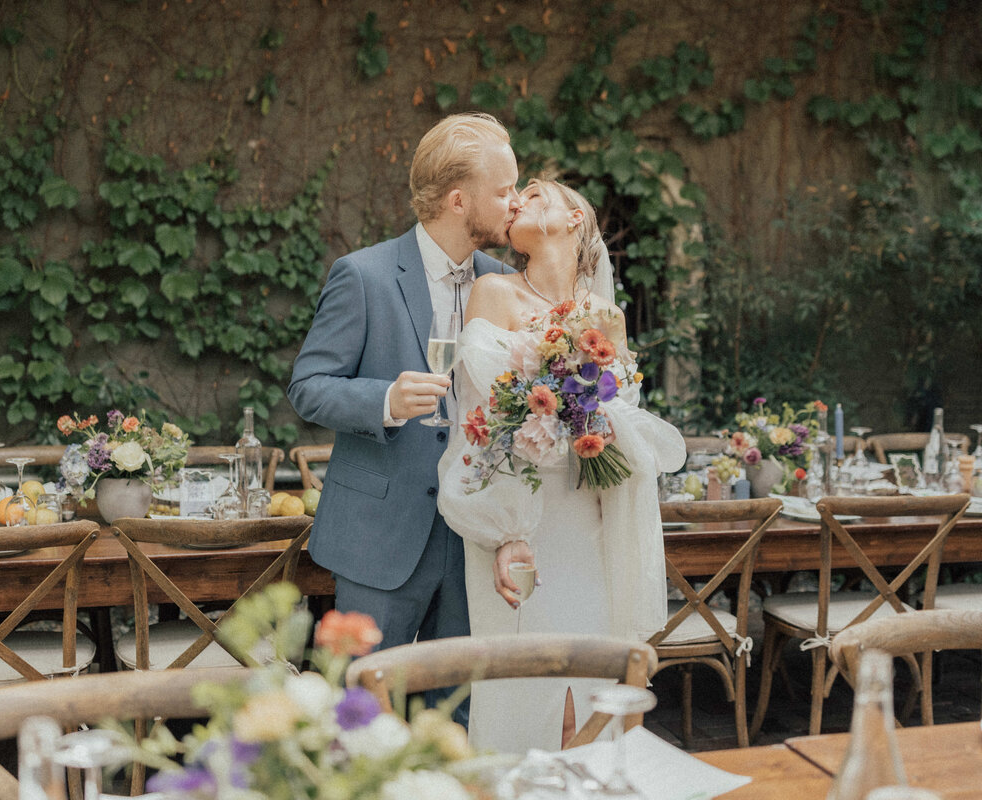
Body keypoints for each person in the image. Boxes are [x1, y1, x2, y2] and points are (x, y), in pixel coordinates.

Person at [437, 178, 686, 754]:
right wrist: (505, 533)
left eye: (537, 193)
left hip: (592, 526)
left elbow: (624, 428)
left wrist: (591, 415)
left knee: (595, 698)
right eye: (514, 196)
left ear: (576, 218)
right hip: (521, 522)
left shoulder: (608, 316)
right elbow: (478, 427)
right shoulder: (493, 293)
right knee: (527, 696)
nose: (520, 199)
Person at [288, 114, 521, 667]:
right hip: (381, 539)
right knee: (365, 704)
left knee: (458, 708)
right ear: (460, 200)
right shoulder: (362, 276)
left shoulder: (508, 286)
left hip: (473, 536)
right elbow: (308, 387)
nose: (515, 202)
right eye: (504, 189)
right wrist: (384, 402)